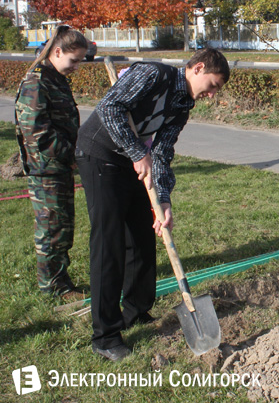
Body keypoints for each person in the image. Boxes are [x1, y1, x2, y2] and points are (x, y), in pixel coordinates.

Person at [76, 48, 230, 361]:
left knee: (142, 238)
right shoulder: (153, 74)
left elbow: (161, 153)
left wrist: (163, 198)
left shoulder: (183, 104)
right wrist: (136, 151)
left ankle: (136, 311)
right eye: (213, 85)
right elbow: (110, 107)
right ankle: (105, 336)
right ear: (198, 68)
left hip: (132, 161)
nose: (212, 94)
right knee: (109, 243)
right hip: (99, 153)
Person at [15, 25, 89, 299]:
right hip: (46, 170)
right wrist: (73, 155)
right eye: (74, 60)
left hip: (59, 167)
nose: (76, 67)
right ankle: (54, 287)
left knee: (62, 227)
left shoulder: (55, 78)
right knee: (52, 229)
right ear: (57, 52)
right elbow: (38, 134)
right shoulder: (36, 82)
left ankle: (60, 280)